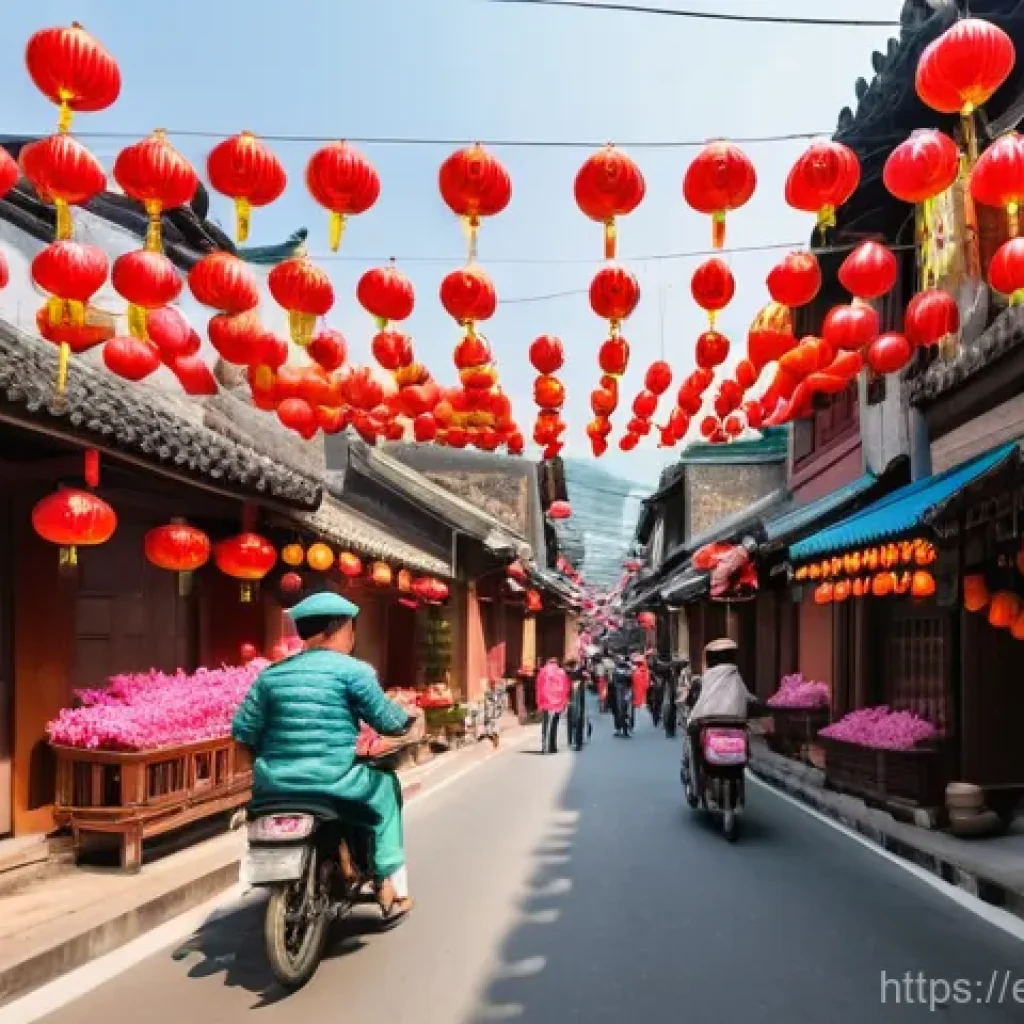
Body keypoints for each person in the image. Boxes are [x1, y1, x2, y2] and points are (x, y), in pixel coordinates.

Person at [232, 591, 421, 921]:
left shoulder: (270, 677)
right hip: (336, 781)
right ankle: (387, 881)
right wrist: (409, 718)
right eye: (351, 628)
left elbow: (242, 733)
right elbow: (387, 721)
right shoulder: (354, 671)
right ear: (341, 628)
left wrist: (258, 774)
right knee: (386, 788)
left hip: (274, 785)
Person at [681, 637, 757, 793]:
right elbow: (748, 697)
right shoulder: (735, 675)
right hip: (736, 720)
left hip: (707, 719)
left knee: (692, 739)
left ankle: (694, 785)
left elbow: (693, 699)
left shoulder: (705, 678)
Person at [536, 656, 571, 753]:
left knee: (545, 724)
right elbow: (566, 688)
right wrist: (565, 701)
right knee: (554, 724)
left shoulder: (543, 672)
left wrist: (539, 703)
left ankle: (544, 746)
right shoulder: (561, 672)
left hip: (546, 701)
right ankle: (552, 746)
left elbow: (538, 688)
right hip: (557, 702)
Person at [565, 657, 587, 751]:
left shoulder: (576, 674)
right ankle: (575, 741)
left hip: (575, 701)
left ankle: (576, 742)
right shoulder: (579, 674)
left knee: (576, 721)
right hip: (574, 701)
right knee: (575, 721)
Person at [610, 655, 635, 736]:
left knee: (623, 710)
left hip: (623, 692)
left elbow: (630, 681)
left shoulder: (623, 669)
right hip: (619, 693)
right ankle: (620, 729)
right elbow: (613, 682)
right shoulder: (617, 669)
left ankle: (623, 729)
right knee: (620, 711)